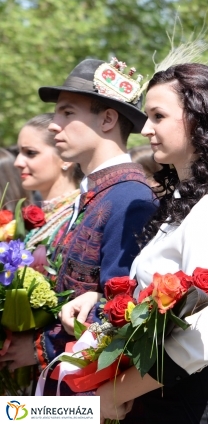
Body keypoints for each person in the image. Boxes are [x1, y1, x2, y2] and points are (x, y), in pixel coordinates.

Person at [64, 61, 208, 422]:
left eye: (158, 116)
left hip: (198, 398)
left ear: (197, 119)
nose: (146, 129)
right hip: (167, 389)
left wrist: (113, 395)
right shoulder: (188, 204)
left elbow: (196, 340)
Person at [0, 58, 156, 386]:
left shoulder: (129, 197)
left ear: (108, 119)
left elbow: (124, 308)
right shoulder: (97, 191)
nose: (55, 124)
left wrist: (41, 347)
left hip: (88, 389)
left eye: (68, 113)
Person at [14, 114, 83, 267]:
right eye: (18, 152)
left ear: (66, 158)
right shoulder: (38, 213)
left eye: (30, 153)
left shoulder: (81, 216)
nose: (18, 162)